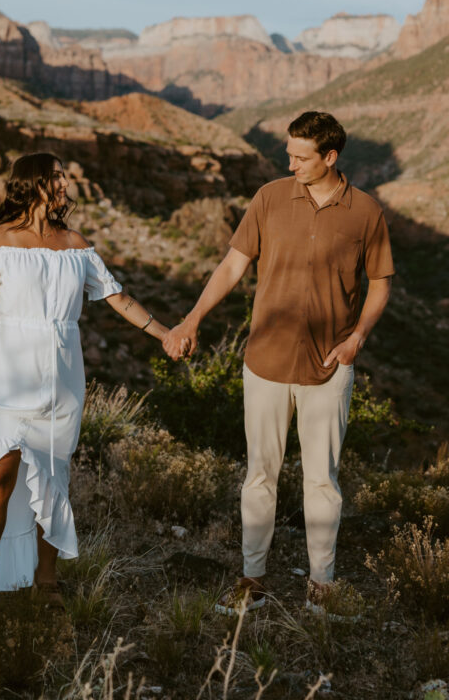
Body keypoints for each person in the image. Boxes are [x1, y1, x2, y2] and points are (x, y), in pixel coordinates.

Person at [163, 111, 394, 614]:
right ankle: (252, 579)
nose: (290, 164)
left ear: (330, 157)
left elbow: (380, 282)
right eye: (288, 153)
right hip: (265, 362)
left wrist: (357, 338)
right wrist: (192, 319)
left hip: (329, 366)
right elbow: (233, 265)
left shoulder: (366, 212)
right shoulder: (269, 198)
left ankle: (322, 587)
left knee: (321, 481)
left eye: (301, 157)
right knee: (259, 475)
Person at [0, 153, 168, 623]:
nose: (65, 182)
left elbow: (117, 297)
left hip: (62, 377)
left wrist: (165, 334)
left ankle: (47, 580)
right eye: (57, 175)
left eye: (65, 174)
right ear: (33, 183)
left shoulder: (75, 244)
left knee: (52, 478)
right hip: (8, 373)